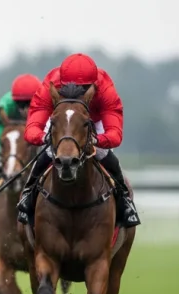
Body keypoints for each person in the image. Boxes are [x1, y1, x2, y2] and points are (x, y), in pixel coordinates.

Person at [16, 53, 141, 228]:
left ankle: (125, 202)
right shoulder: (50, 85)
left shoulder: (104, 88)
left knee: (104, 153)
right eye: (74, 87)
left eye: (84, 89)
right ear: (62, 83)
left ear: (93, 85)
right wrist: (44, 137)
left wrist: (96, 140)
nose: (79, 93)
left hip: (92, 122)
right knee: (49, 151)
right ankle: (28, 195)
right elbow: (32, 129)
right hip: (61, 121)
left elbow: (115, 134)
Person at [0, 73, 41, 217]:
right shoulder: (4, 106)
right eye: (21, 104)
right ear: (14, 101)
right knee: (3, 170)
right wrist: (3, 151)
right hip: (14, 152)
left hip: (34, 149)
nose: (25, 109)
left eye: (30, 103)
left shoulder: (46, 103)